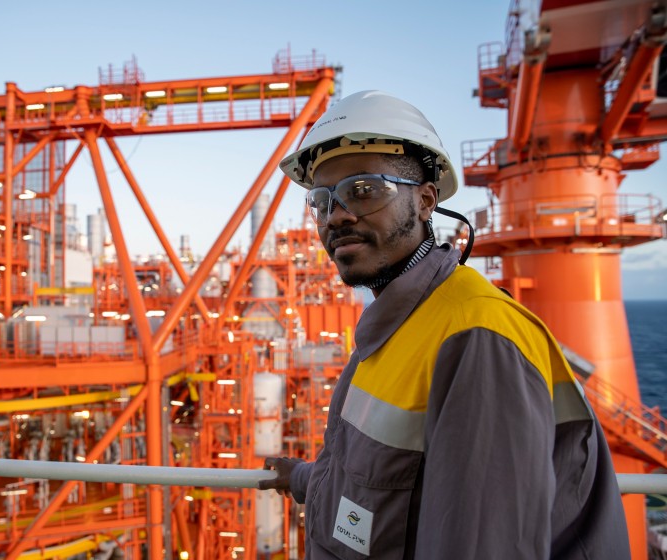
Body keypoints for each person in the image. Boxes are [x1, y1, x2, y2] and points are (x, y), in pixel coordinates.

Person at [258, 90, 630, 559]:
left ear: (427, 201)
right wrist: (306, 479)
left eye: (364, 190)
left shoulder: (477, 341)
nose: (337, 215)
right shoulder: (404, 324)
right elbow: (384, 481)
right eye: (322, 199)